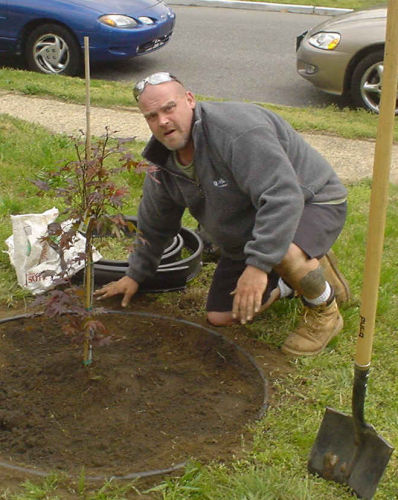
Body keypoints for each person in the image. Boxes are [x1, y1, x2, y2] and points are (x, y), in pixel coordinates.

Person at [94, 72, 350, 356]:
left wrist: (257, 267)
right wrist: (135, 275)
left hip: (310, 201)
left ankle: (324, 310)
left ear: (189, 100)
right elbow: (155, 225)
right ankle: (301, 274)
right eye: (151, 116)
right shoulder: (163, 163)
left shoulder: (236, 132)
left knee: (283, 252)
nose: (162, 121)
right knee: (222, 315)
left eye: (169, 108)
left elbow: (283, 197)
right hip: (253, 226)